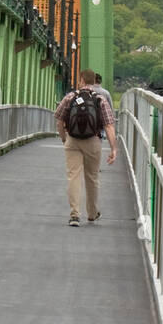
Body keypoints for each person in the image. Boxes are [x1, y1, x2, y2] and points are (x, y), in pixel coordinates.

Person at [54, 68, 117, 226]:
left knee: (73, 177)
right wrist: (113, 148)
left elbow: (59, 121)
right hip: (93, 141)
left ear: (81, 80)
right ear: (94, 80)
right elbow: (109, 126)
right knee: (92, 178)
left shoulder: (70, 97)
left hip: (73, 140)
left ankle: (75, 215)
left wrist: (64, 138)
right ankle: (92, 213)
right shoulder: (100, 100)